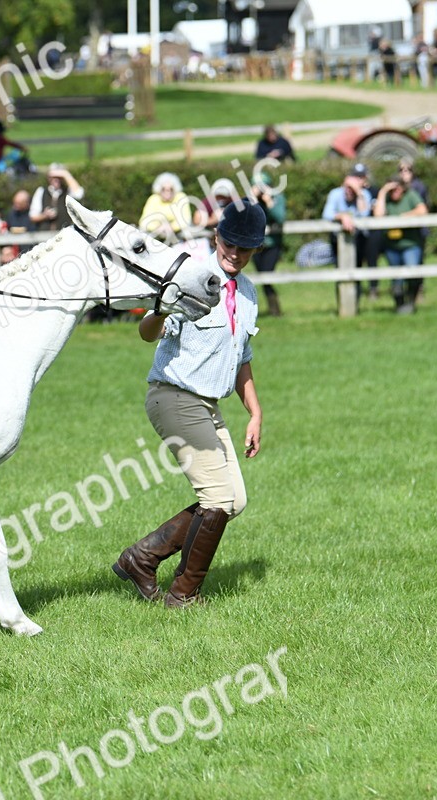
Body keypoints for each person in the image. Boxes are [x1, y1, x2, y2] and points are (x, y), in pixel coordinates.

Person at [112, 200, 265, 608]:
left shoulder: (247, 294)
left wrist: (255, 412)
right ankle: (183, 594)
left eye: (245, 248)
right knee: (217, 498)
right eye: (230, 244)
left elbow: (242, 358)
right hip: (174, 395)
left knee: (234, 501)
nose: (235, 253)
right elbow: (147, 333)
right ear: (217, 237)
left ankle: (141, 558)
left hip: (208, 405)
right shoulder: (194, 278)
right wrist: (160, 307)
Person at [374, 172, 429, 314]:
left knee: (412, 272)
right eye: (392, 189)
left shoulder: (410, 195)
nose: (395, 192)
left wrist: (402, 217)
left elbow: (422, 210)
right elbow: (378, 216)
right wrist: (383, 192)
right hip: (392, 245)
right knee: (396, 276)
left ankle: (411, 302)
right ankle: (400, 305)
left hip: (410, 244)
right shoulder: (386, 197)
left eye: (397, 188)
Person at [323, 165, 376, 300]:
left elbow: (364, 214)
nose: (349, 191)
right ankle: (342, 302)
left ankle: (355, 303)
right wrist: (342, 216)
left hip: (358, 240)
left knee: (357, 270)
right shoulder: (335, 193)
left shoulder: (364, 195)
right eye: (347, 187)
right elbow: (327, 214)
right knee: (339, 271)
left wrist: (358, 192)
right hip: (337, 241)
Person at [252, 179, 286, 317]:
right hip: (255, 245)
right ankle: (273, 310)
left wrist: (269, 202)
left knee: (267, 275)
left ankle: (275, 310)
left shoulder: (277, 198)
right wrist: (253, 200)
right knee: (262, 277)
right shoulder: (252, 201)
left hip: (272, 244)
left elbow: (280, 218)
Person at [139, 172, 193, 244]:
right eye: (163, 189)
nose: (167, 192)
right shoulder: (153, 199)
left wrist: (171, 227)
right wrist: (158, 228)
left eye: (170, 189)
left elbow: (185, 220)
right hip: (156, 234)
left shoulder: (181, 197)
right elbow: (144, 222)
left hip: (177, 234)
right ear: (159, 189)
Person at [28, 164, 85, 231]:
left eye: (59, 177)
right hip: (45, 236)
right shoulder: (41, 191)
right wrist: (44, 216)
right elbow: (32, 217)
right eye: (53, 177)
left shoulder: (68, 192)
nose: (56, 180)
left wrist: (65, 174)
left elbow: (79, 194)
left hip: (64, 235)